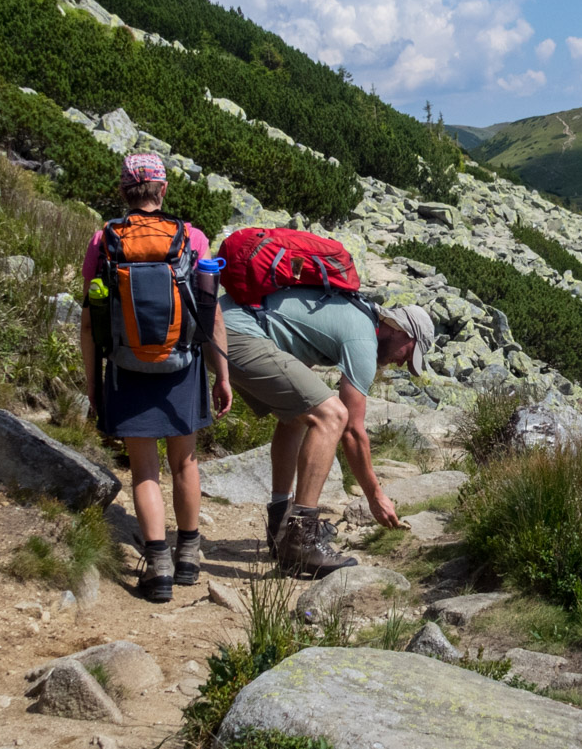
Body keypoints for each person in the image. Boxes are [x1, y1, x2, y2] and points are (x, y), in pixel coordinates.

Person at [82, 154, 232, 603]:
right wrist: (221, 373)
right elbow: (210, 315)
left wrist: (93, 384)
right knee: (184, 462)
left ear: (124, 191)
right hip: (182, 364)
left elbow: (90, 322)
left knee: (144, 468)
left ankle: (158, 564)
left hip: (125, 365)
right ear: (162, 191)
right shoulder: (192, 238)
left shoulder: (104, 239)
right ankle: (189, 555)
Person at [219, 276, 436, 577]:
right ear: (399, 331)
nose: (402, 364)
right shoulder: (363, 337)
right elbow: (352, 431)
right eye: (408, 354)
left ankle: (281, 525)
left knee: (297, 413)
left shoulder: (351, 311)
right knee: (332, 416)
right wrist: (375, 497)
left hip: (226, 322)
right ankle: (302, 539)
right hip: (235, 332)